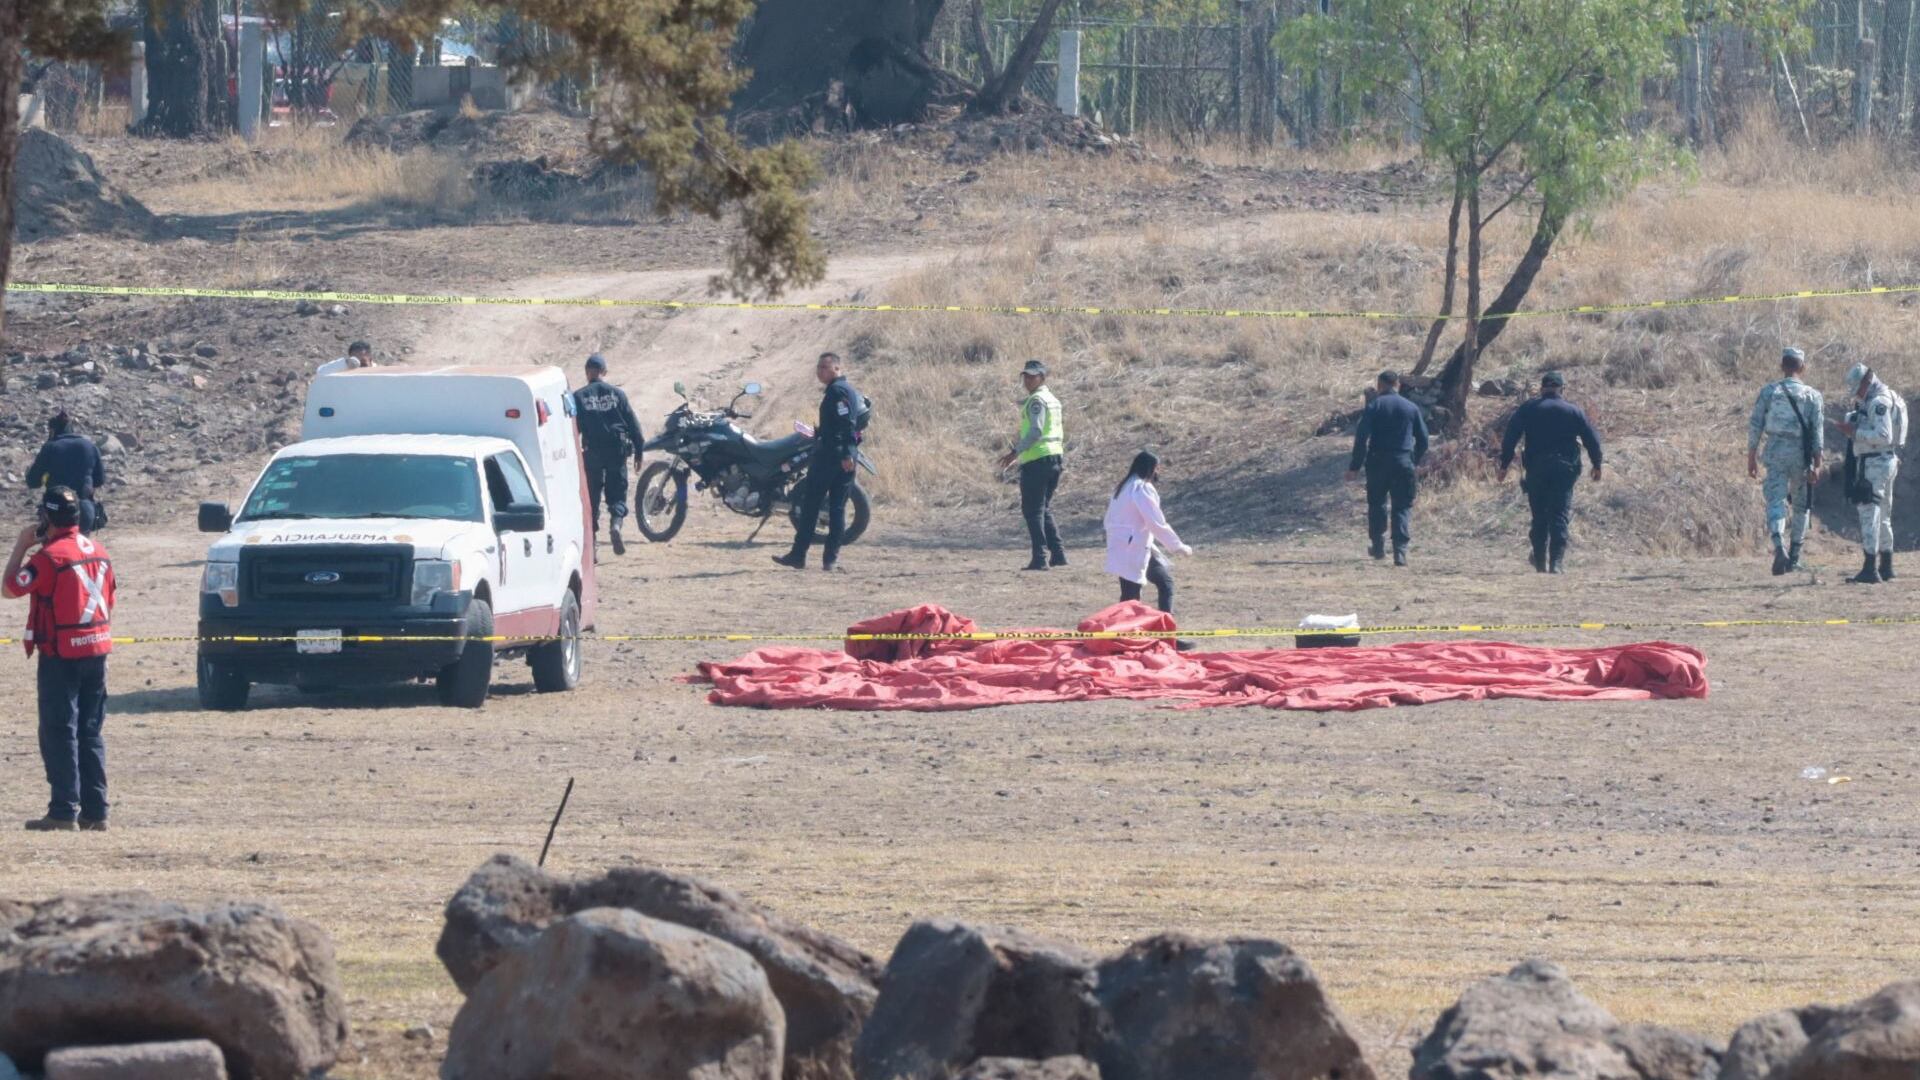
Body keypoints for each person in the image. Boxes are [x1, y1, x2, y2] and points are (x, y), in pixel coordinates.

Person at [3, 487, 115, 832]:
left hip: (61, 655)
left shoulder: (48, 557)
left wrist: (22, 545)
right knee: (90, 731)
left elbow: (9, 587)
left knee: (59, 731)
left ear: (47, 518)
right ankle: (96, 812)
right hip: (96, 649)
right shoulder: (98, 549)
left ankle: (63, 810)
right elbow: (110, 595)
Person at [1498, 371, 1604, 574]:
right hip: (1565, 470)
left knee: (1539, 516)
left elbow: (1510, 438)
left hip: (1536, 469)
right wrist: (1597, 464)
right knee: (1560, 514)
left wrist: (1504, 465)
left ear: (1541, 388)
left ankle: (1539, 563)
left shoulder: (1528, 409)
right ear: (1561, 389)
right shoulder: (1574, 411)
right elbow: (1592, 440)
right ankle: (1556, 564)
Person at [774, 352, 862, 572]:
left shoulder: (838, 391)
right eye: (818, 367)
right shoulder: (838, 390)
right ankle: (820, 558)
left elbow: (846, 425)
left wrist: (846, 454)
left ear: (837, 369)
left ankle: (809, 556)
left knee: (819, 506)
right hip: (836, 455)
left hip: (834, 458)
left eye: (825, 367)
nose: (820, 371)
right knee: (831, 508)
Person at [1747, 347, 1824, 575]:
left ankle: (1780, 546)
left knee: (1776, 500)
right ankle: (1795, 556)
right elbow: (1818, 433)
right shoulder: (1813, 395)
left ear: (1782, 366)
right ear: (1802, 367)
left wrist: (1751, 457)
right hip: (1801, 456)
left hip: (1775, 452)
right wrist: (1818, 464)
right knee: (1801, 505)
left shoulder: (1769, 391)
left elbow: (1755, 425)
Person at [1104, 451, 1194, 642]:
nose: (1158, 471)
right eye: (1157, 468)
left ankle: (1166, 635)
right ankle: (1126, 639)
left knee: (1164, 583)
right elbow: (1155, 521)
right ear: (1151, 468)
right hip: (1133, 547)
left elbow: (1111, 521)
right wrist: (1177, 546)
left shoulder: (1124, 487)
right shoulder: (1140, 488)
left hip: (1131, 546)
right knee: (1131, 598)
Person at [1345, 370, 1429, 566]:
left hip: (1377, 461)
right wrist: (1413, 460)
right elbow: (1424, 440)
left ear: (1380, 385)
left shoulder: (1374, 405)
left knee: (1376, 504)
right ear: (1397, 385)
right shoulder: (1411, 407)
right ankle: (1400, 552)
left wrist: (1354, 466)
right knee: (1402, 506)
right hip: (1403, 461)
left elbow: (1361, 438)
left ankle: (1378, 546)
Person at [1838, 362, 1909, 584]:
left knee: (1869, 513)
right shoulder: (1889, 396)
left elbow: (1883, 435)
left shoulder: (1878, 401)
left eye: (1857, 388)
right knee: (1884, 515)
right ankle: (1886, 566)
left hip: (1875, 463)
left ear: (1866, 382)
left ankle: (1870, 568)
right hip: (1886, 461)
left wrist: (1855, 432)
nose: (1857, 394)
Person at [571, 353, 645, 556]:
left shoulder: (578, 396)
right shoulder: (617, 394)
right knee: (617, 495)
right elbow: (633, 424)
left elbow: (573, 431)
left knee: (591, 500)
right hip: (617, 452)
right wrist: (639, 451)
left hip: (592, 453)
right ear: (604, 372)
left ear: (587, 372)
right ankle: (616, 526)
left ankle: (592, 545)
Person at [998, 360, 1068, 571]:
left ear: (1042, 377)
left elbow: (1036, 431)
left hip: (1037, 460)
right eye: (1026, 376)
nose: (1027, 380)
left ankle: (1040, 558)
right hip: (1054, 458)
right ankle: (1058, 554)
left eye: (1032, 376)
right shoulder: (1052, 399)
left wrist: (1015, 452)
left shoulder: (1037, 400)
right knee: (1043, 508)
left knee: (1032, 511)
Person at [27, 411, 106, 535]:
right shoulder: (89, 446)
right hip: (84, 511)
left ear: (52, 430)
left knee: (55, 551)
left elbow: (33, 482)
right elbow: (99, 480)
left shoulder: (50, 447)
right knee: (81, 550)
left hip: (56, 514)